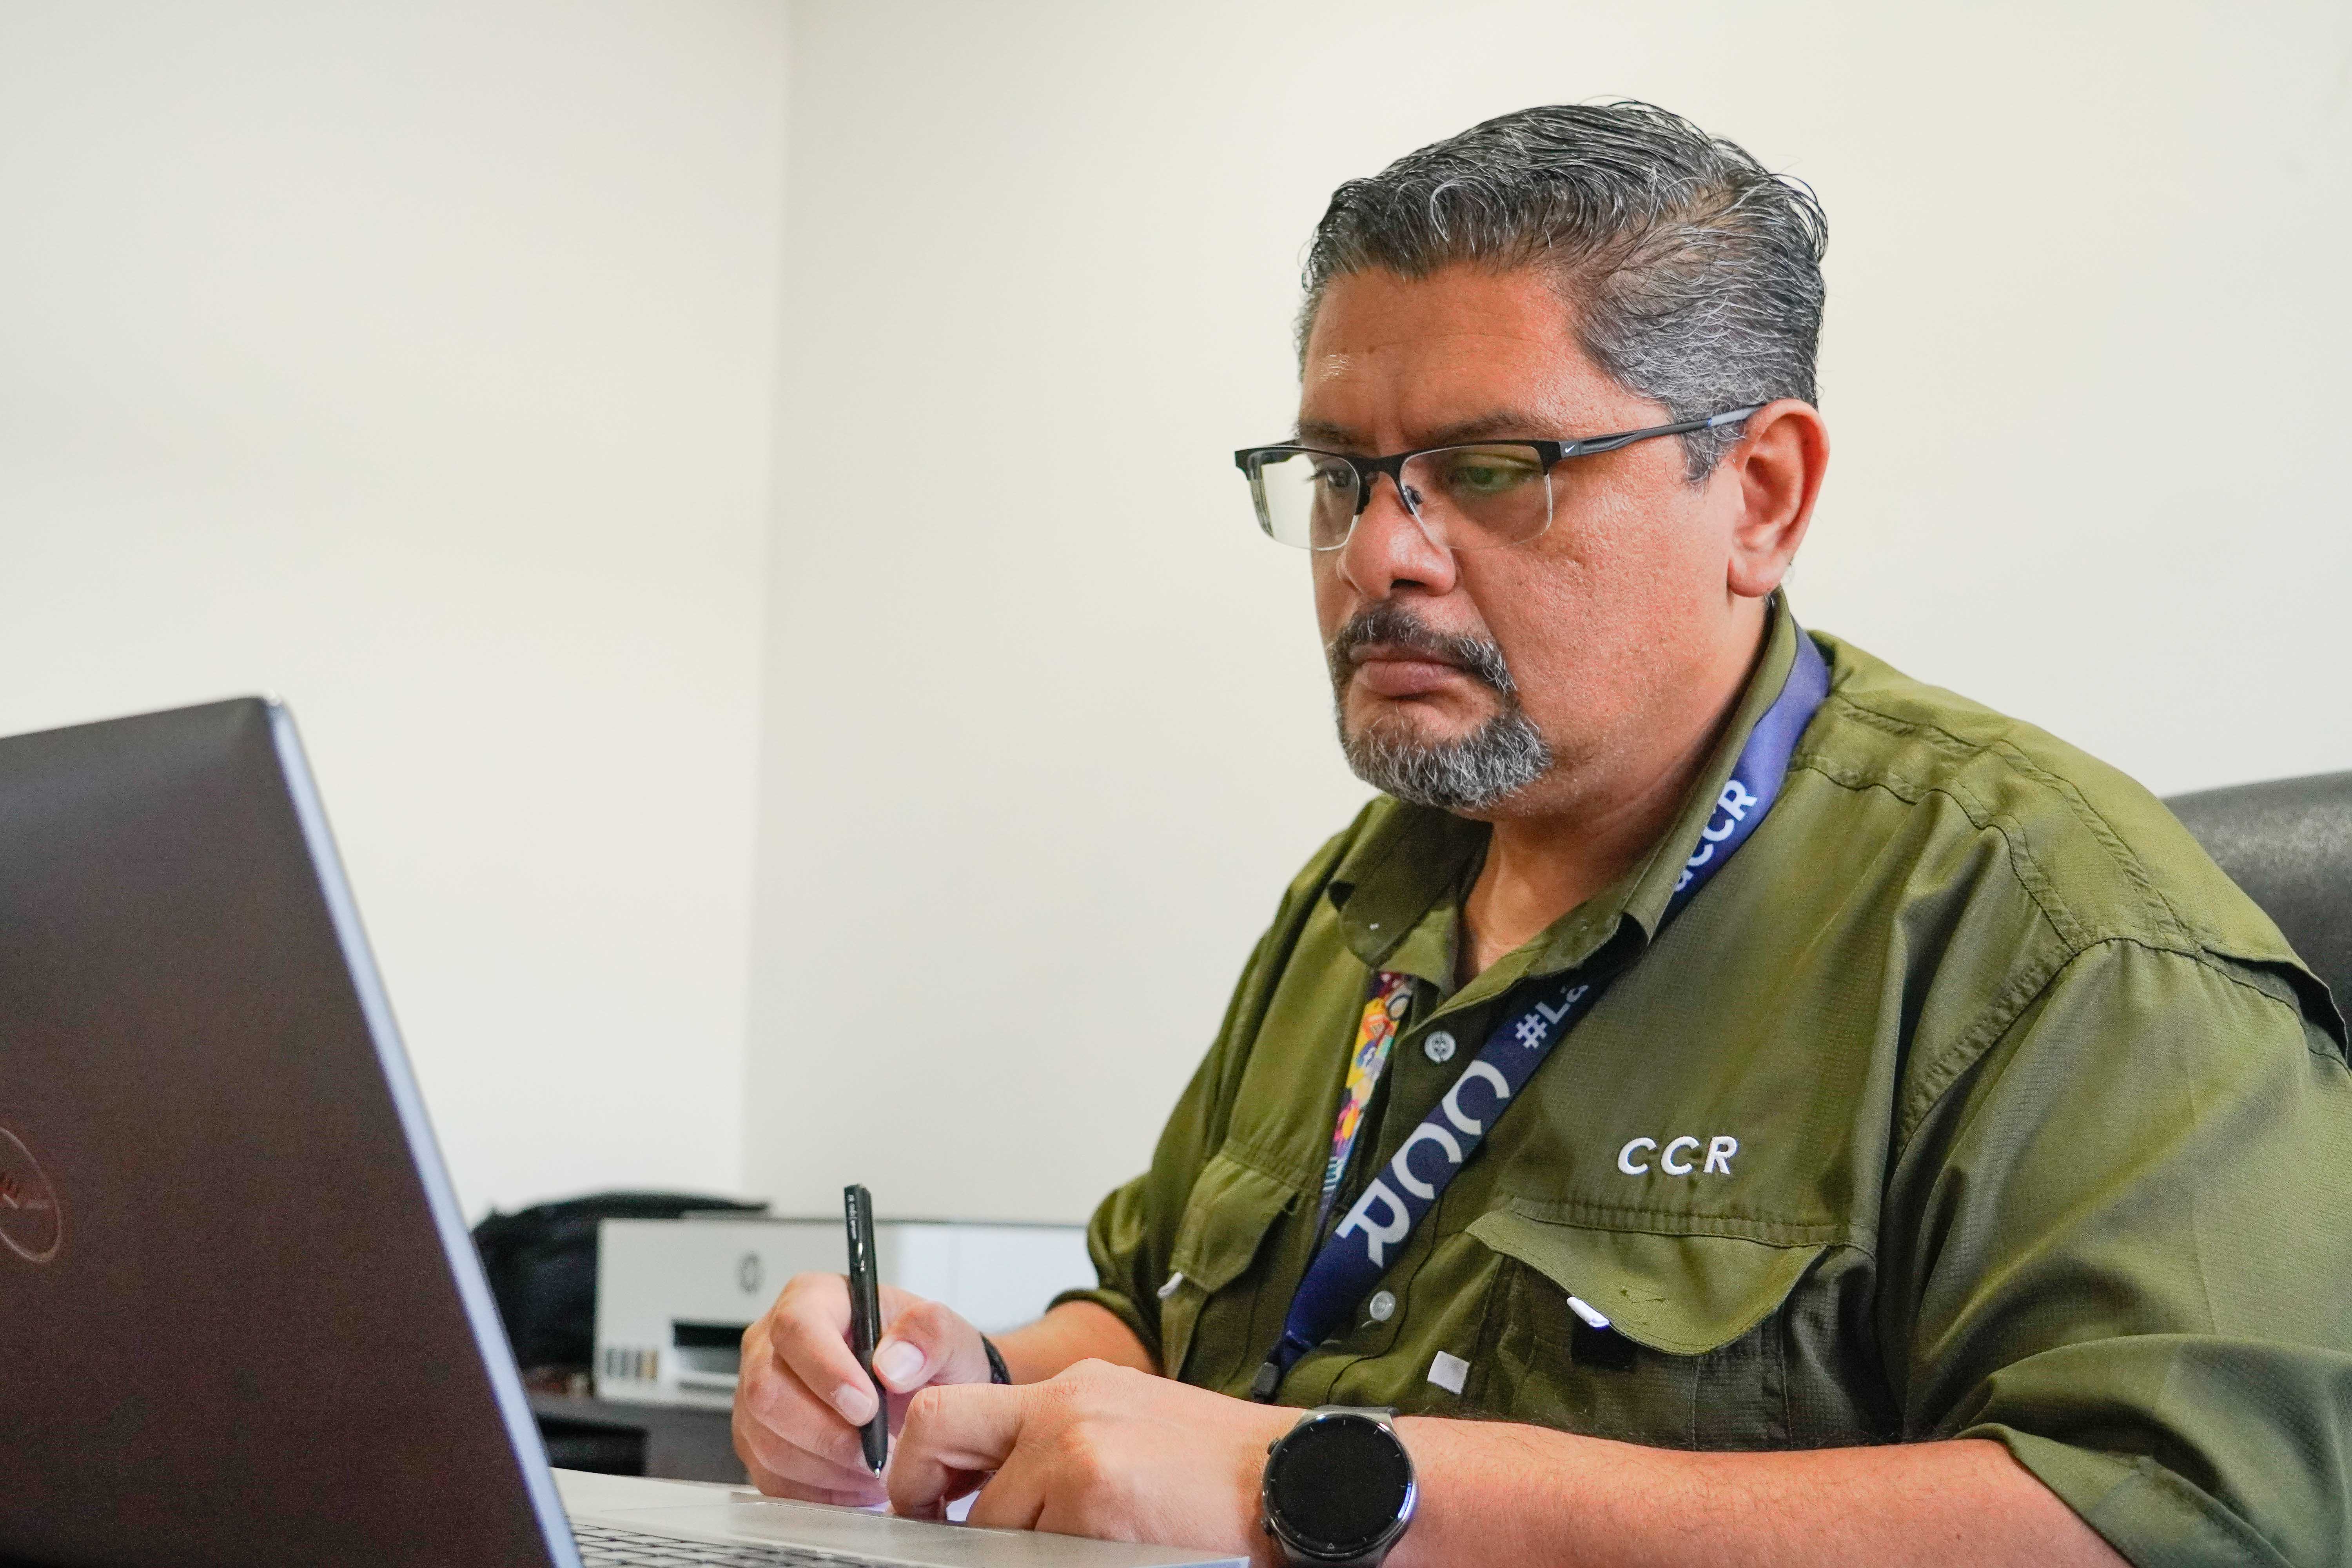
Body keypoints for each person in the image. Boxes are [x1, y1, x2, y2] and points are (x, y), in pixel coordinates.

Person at [733, 102, 2352, 1568]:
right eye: (1340, 475)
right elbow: (1160, 1334)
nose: (1380, 555)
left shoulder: (2053, 932)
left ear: (1763, 495)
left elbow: (2208, 1518)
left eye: (1494, 470)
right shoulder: (1371, 890)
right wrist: (955, 1383)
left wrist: (1326, 1492)